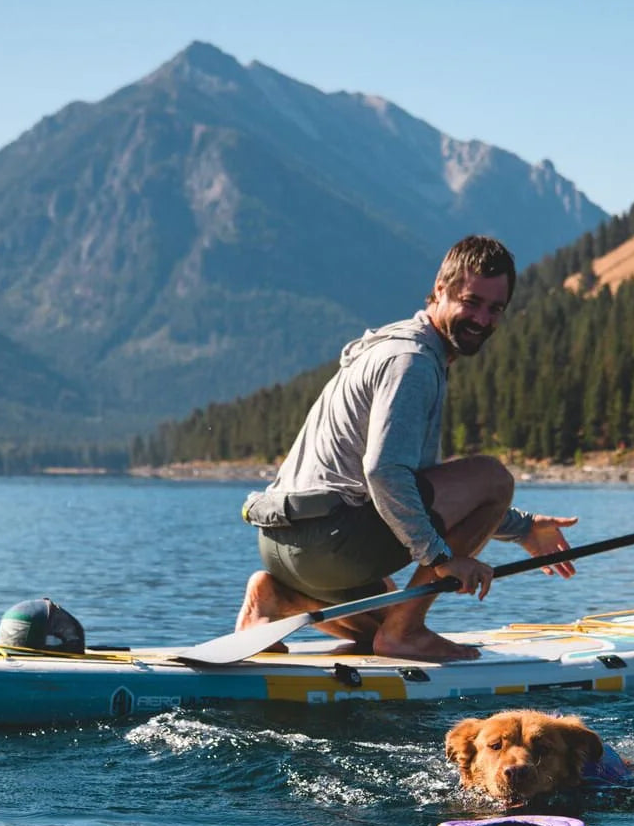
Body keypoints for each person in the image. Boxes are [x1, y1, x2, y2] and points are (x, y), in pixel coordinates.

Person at [235, 235, 578, 661]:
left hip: (282, 548)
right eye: (471, 302)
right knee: (493, 479)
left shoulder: (394, 344)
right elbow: (386, 474)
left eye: (495, 309)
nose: (482, 319)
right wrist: (441, 558)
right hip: (327, 543)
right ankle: (406, 634)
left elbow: (418, 493)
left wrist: (521, 528)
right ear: (440, 289)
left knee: (377, 618)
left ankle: (278, 598)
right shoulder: (412, 363)